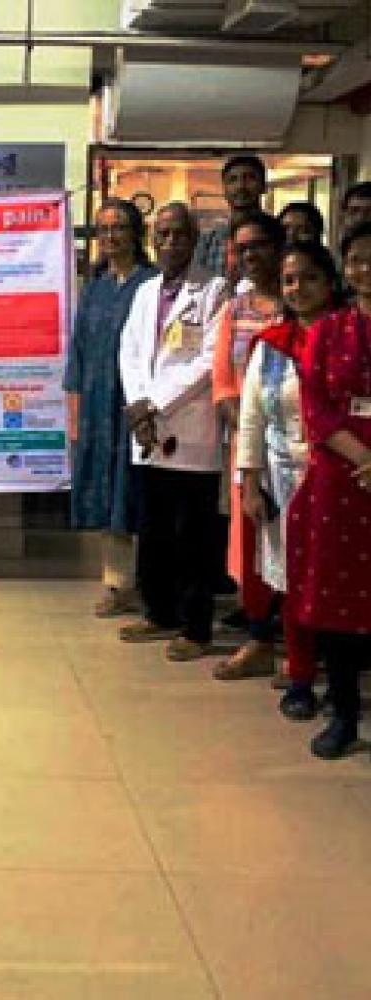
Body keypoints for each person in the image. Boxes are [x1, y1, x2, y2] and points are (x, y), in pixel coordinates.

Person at [118, 202, 227, 661]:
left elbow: (208, 362)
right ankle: (159, 612)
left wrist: (155, 403)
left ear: (195, 237)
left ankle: (197, 627)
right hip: (147, 431)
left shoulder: (215, 291)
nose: (170, 243)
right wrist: (140, 406)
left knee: (194, 537)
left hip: (190, 428)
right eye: (162, 235)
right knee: (154, 530)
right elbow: (130, 351)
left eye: (179, 234)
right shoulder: (145, 292)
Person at [237, 242, 341, 718]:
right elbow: (252, 417)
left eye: (309, 278)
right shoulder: (271, 345)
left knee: (338, 580)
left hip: (342, 477)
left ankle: (340, 681)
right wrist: (251, 480)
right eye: (290, 281)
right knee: (294, 582)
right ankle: (300, 676)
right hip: (284, 479)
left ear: (330, 282)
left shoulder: (351, 337)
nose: (298, 289)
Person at [288, 223, 371, 759]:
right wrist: (364, 457)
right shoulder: (330, 330)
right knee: (339, 600)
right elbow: (316, 408)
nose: (366, 268)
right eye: (358, 259)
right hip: (341, 477)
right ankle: (342, 714)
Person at [64, 199, 157, 617]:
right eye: (103, 229)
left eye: (119, 227)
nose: (111, 236)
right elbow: (78, 350)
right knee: (106, 489)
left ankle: (151, 583)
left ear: (136, 232)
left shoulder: (153, 285)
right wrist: (75, 406)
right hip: (98, 405)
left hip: (141, 406)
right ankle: (118, 584)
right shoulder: (96, 289)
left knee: (139, 491)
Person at [211, 212, 286, 680]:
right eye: (242, 248)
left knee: (297, 546)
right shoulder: (234, 311)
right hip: (249, 448)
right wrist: (250, 435)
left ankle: (300, 645)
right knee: (253, 543)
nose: (250, 255)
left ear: (279, 248)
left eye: (259, 245)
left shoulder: (301, 305)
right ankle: (259, 640)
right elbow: (222, 382)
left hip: (302, 447)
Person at [194, 154, 266, 281]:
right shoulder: (208, 241)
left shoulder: (278, 235)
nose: (241, 186)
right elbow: (196, 286)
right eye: (233, 180)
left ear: (263, 186)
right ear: (224, 189)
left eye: (249, 178)